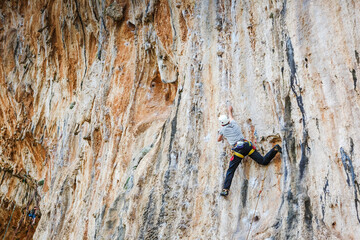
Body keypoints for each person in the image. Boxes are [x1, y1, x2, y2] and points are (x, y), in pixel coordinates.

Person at [218, 105, 282, 197]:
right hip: (247, 146)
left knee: (231, 170)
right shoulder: (234, 123)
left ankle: (225, 190)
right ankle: (275, 149)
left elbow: (219, 139)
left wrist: (221, 133)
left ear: (221, 123)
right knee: (263, 161)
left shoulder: (222, 129)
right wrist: (229, 111)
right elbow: (231, 117)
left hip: (239, 151)